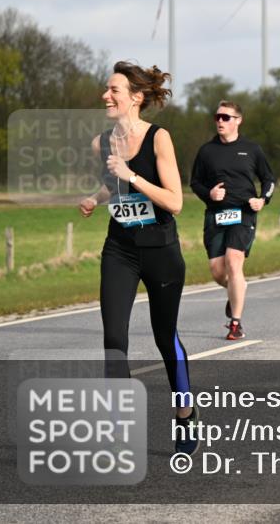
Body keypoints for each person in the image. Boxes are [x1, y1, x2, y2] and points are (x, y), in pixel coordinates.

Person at [78, 61, 198, 455]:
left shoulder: (158, 138)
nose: (105, 96)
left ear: (136, 97)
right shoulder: (101, 142)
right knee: (114, 339)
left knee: (165, 338)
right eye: (106, 89)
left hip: (161, 251)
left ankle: (184, 416)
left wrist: (133, 176)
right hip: (120, 250)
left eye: (113, 90)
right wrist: (96, 199)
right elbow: (113, 184)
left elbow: (175, 202)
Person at [190, 100, 276, 340]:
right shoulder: (206, 151)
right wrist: (210, 193)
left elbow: (269, 179)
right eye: (217, 117)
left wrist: (262, 200)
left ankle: (235, 324)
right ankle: (235, 291)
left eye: (225, 117)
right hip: (216, 214)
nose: (220, 121)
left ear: (238, 120)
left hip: (243, 212)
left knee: (233, 260)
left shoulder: (251, 149)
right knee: (218, 271)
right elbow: (195, 182)